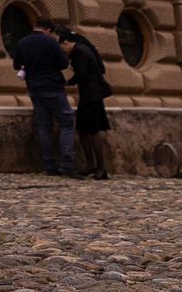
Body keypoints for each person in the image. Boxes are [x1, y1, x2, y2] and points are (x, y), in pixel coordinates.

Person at [14, 16, 76, 176]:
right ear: (48, 30)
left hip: (34, 88)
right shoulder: (50, 42)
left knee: (44, 126)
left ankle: (49, 165)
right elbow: (63, 64)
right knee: (67, 123)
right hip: (53, 87)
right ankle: (67, 163)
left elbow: (16, 65)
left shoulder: (23, 42)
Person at [60, 28, 112, 179]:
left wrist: (68, 82)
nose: (63, 51)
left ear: (67, 43)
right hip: (91, 95)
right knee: (83, 129)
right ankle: (91, 165)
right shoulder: (84, 49)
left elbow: (81, 74)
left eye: (62, 47)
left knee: (92, 131)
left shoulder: (79, 52)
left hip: (91, 96)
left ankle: (100, 168)